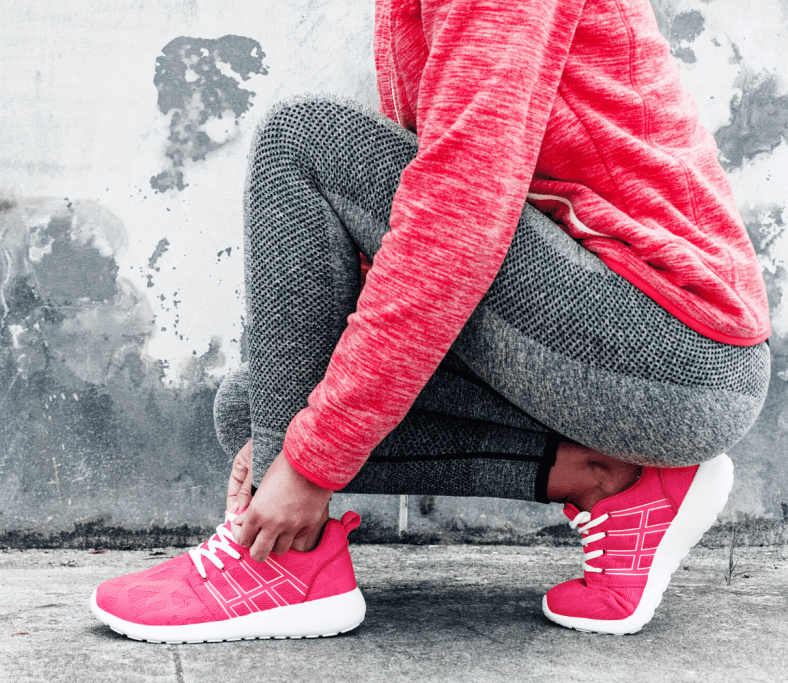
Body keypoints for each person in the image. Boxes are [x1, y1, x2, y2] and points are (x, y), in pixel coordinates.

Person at [89, 0, 770, 642]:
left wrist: (305, 466)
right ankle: (616, 479)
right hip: (623, 348)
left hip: (676, 347)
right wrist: (291, 443)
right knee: (260, 407)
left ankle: (279, 562)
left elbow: (453, 227)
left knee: (302, 141)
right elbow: (411, 221)